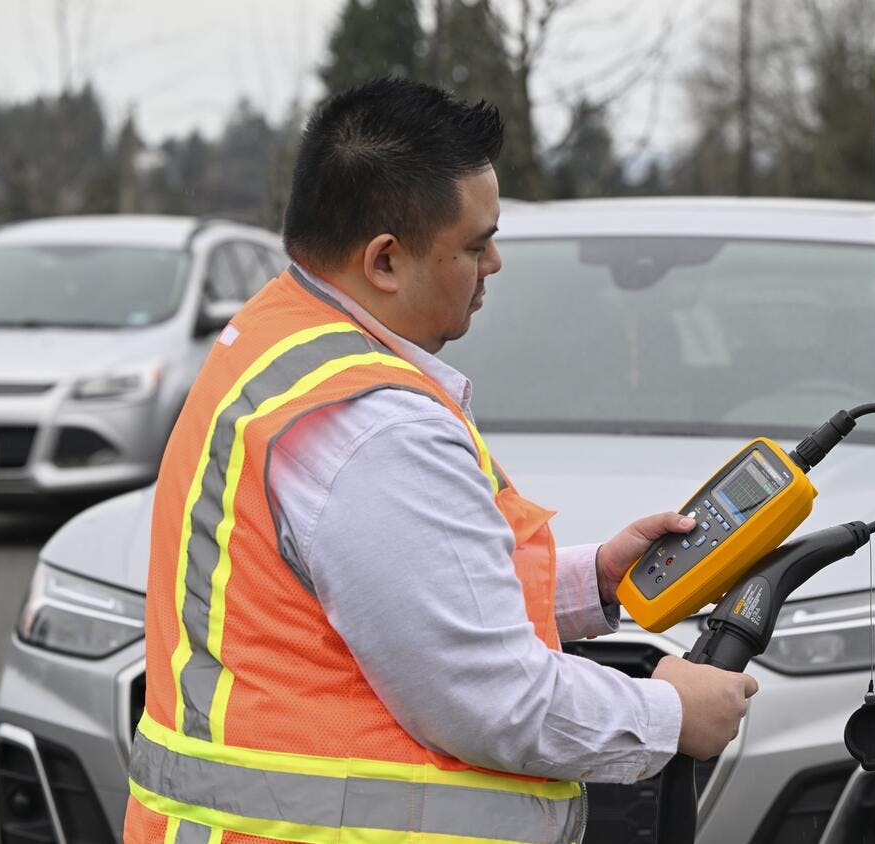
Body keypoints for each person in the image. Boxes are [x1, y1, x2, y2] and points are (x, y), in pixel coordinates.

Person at [123, 77, 757, 844]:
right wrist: (671, 714)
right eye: (475, 244)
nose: (493, 264)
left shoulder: (275, 342)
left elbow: (382, 596)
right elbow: (491, 699)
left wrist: (594, 581)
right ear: (385, 261)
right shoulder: (374, 431)